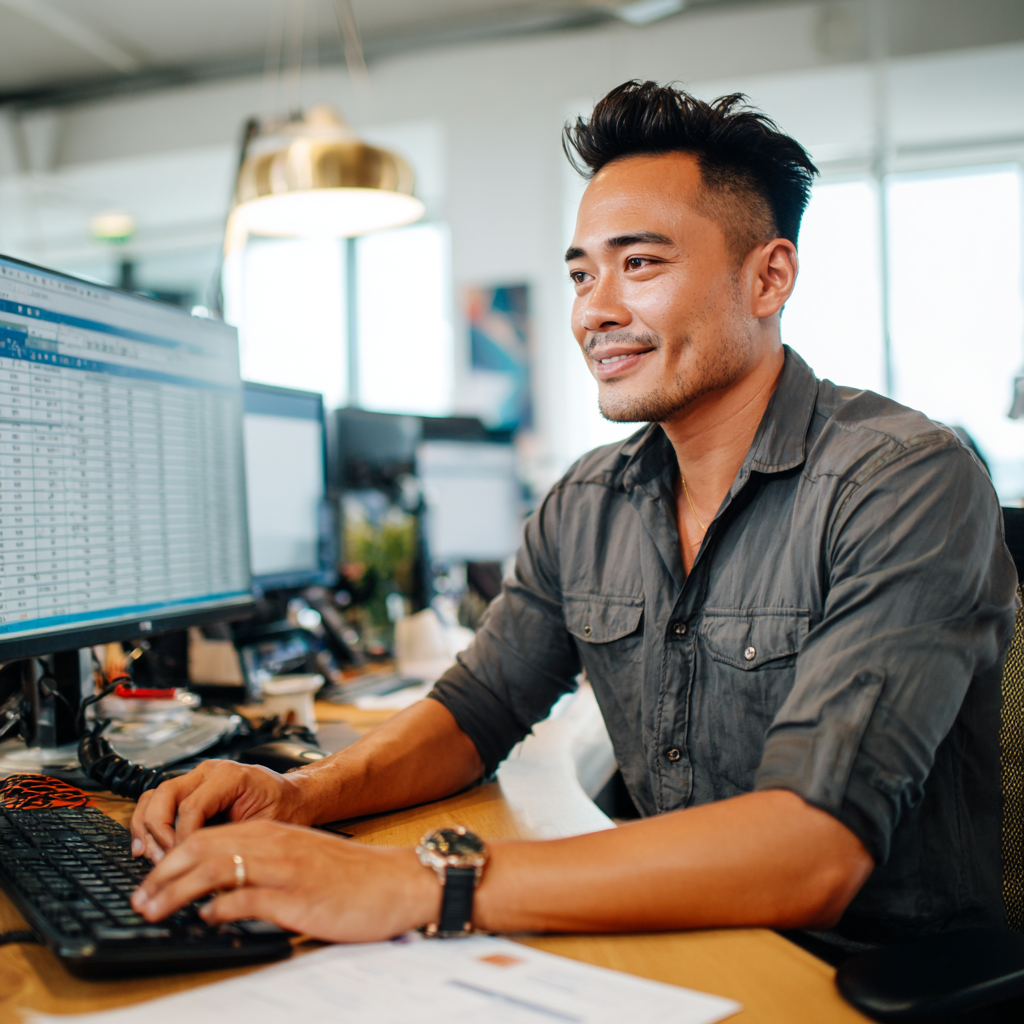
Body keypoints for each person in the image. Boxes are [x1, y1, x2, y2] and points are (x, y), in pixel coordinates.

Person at [130, 81, 1017, 952]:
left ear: (768, 277)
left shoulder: (902, 482)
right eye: (583, 273)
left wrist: (417, 884)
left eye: (640, 264)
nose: (595, 310)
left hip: (861, 976)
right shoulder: (588, 503)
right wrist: (300, 795)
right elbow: (475, 710)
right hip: (676, 938)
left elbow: (812, 847)